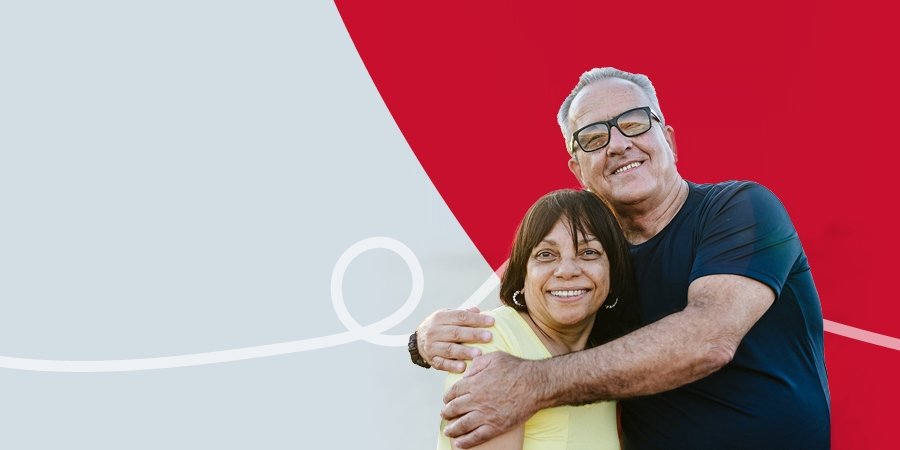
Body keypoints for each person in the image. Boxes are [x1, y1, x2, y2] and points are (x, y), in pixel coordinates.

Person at [410, 68, 830, 449]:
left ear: (668, 139)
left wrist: (530, 384)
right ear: (578, 170)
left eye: (634, 123)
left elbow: (708, 339)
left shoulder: (742, 209)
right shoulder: (596, 267)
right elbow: (537, 326)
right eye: (594, 137)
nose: (618, 144)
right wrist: (425, 340)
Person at [437, 189, 641, 450]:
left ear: (613, 274)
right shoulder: (489, 342)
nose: (567, 270)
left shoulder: (606, 358)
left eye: (589, 252)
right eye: (546, 254)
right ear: (522, 275)